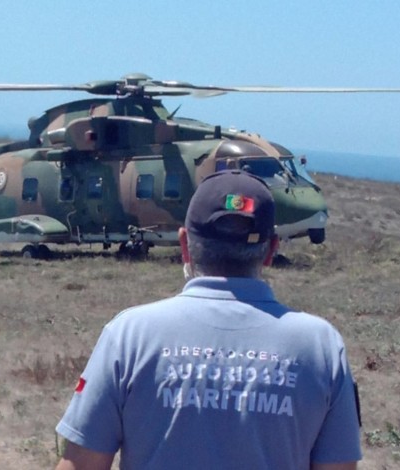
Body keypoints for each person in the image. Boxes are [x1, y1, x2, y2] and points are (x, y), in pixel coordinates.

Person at [54, 170, 361, 470]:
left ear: (185, 245)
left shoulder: (129, 336)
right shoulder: (321, 347)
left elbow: (82, 465)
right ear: (270, 250)